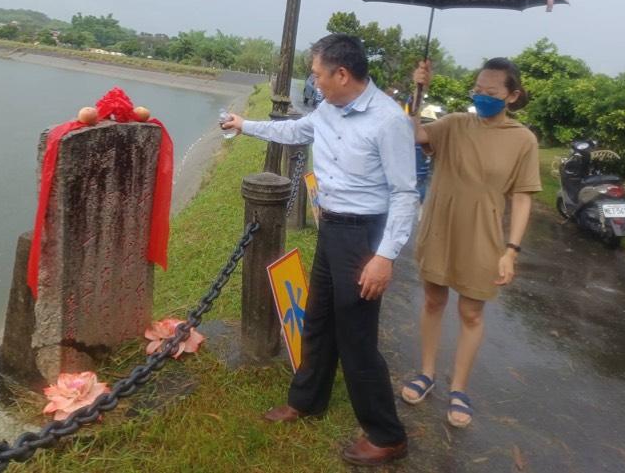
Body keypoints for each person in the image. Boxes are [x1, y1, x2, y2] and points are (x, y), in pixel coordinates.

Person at [222, 34, 417, 466]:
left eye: (317, 74)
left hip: (364, 235)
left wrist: (384, 257)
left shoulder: (389, 121)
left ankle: (387, 434)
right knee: (318, 320)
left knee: (357, 338)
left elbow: (406, 193)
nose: (314, 83)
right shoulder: (329, 109)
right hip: (331, 227)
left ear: (341, 74)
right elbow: (293, 129)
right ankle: (307, 400)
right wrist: (244, 125)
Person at [401, 58, 541, 428]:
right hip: (439, 226)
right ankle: (427, 372)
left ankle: (459, 388)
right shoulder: (454, 125)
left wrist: (511, 250)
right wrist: (418, 90)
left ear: (512, 96)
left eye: (492, 92)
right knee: (433, 300)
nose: (482, 97)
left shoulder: (523, 140)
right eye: (478, 89)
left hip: (484, 235)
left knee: (472, 312)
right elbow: (413, 134)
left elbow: (523, 196)